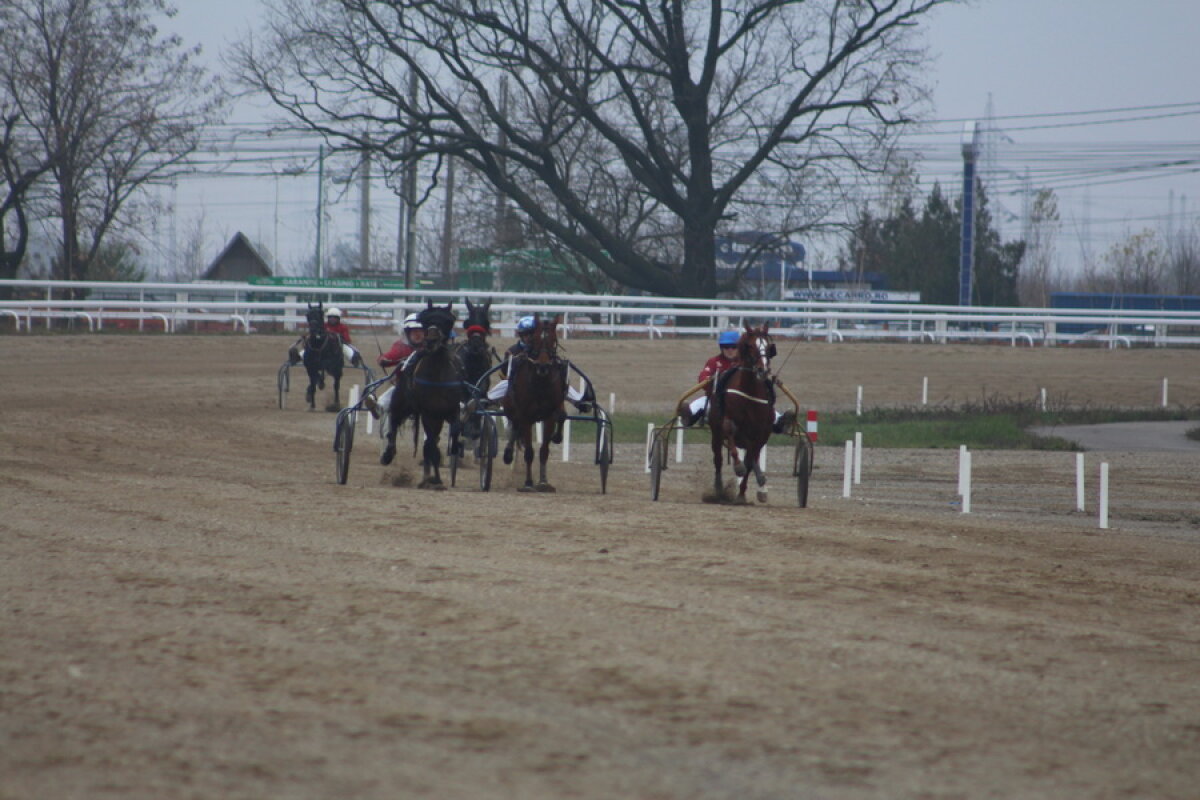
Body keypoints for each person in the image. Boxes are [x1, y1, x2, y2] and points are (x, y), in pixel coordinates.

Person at [681, 330, 793, 433]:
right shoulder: (714, 361)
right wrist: (707, 380)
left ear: (739, 348)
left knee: (765, 407)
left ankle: (780, 422)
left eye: (733, 347)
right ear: (721, 347)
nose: (729, 350)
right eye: (726, 346)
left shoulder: (747, 363)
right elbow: (704, 377)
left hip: (745, 401)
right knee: (703, 401)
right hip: (717, 399)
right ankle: (688, 415)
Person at [483, 316, 590, 411]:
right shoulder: (512, 351)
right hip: (520, 387)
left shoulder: (542, 350)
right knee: (506, 383)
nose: (529, 337)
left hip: (544, 384)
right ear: (521, 335)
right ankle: (487, 399)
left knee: (561, 383)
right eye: (525, 334)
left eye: (531, 334)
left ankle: (580, 402)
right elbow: (505, 374)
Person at [365, 313, 424, 418]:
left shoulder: (431, 348)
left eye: (420, 331)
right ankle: (379, 407)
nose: (418, 335)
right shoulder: (401, 347)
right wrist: (383, 360)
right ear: (407, 333)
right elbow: (389, 356)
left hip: (427, 385)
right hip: (404, 385)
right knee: (396, 390)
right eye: (414, 332)